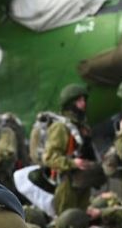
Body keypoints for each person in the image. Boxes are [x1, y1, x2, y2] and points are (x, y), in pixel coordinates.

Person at [42, 83, 100, 215]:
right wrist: (73, 163)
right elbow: (49, 158)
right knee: (67, 218)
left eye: (84, 100)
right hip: (67, 182)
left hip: (83, 180)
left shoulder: (81, 126)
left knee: (82, 218)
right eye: (79, 101)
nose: (83, 104)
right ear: (70, 103)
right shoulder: (61, 127)